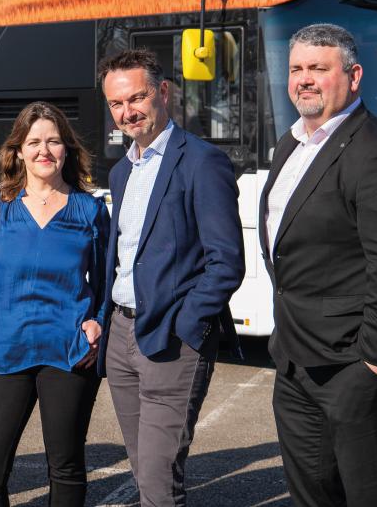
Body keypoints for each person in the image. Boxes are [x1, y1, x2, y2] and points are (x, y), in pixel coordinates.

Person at [262, 24, 377, 506]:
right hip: (293, 359)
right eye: (297, 69)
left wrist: (371, 363)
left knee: (368, 495)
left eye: (318, 69)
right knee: (310, 493)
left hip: (349, 366)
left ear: (353, 75)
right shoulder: (291, 144)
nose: (304, 79)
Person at [96, 49, 245, 507]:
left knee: (160, 478)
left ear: (163, 92)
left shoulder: (202, 161)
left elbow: (226, 261)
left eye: (136, 97)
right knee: (143, 469)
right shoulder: (122, 171)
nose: (127, 112)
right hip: (122, 334)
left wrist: (188, 324)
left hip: (172, 338)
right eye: (116, 104)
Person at [0, 102, 110, 507]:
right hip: (6, 353)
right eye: (34, 142)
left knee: (64, 467)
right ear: (18, 151)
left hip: (68, 354)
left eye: (54, 141)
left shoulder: (90, 210)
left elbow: (104, 284)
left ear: (67, 149)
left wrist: (98, 323)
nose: (44, 150)